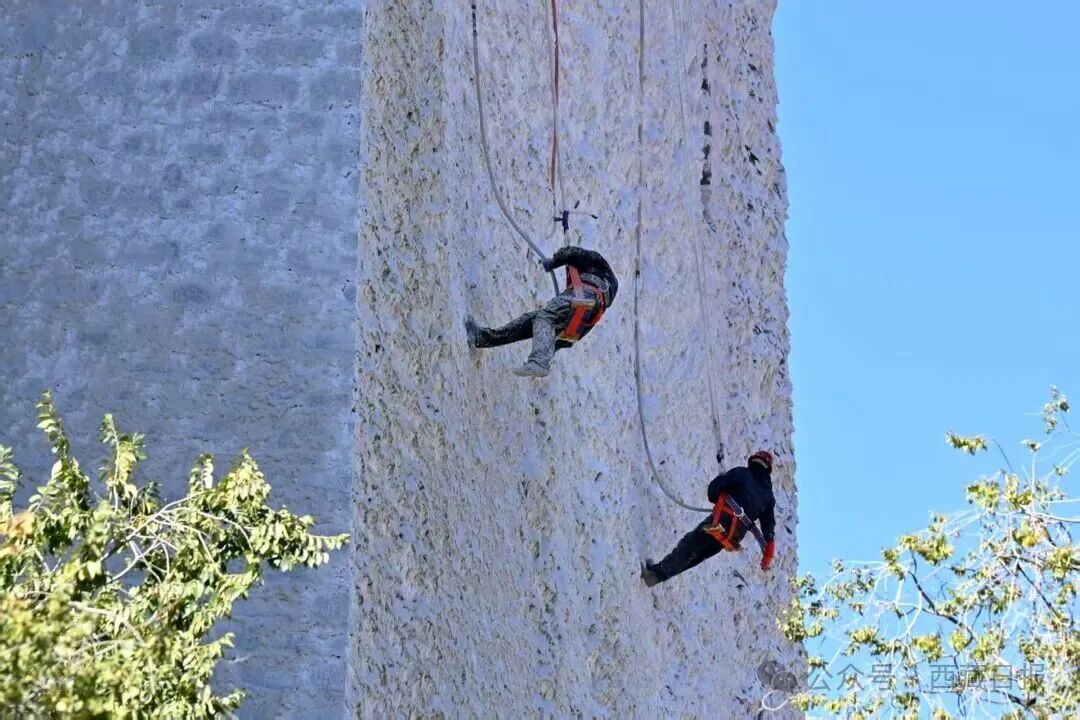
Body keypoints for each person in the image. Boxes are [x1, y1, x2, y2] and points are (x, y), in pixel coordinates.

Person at [465, 245, 618, 377]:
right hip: (583, 313)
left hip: (582, 295)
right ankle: (481, 338)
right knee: (532, 321)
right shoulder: (604, 295)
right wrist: (558, 345)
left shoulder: (596, 263)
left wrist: (553, 262)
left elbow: (571, 252)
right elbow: (574, 334)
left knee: (545, 317)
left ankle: (539, 361)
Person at [641, 450, 777, 587]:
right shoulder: (768, 497)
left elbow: (715, 488)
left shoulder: (742, 473)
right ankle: (658, 576)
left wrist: (717, 496)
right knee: (699, 555)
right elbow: (769, 527)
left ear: (753, 461)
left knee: (689, 546)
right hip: (733, 536)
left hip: (721, 521)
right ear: (767, 469)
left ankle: (655, 575)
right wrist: (768, 553)